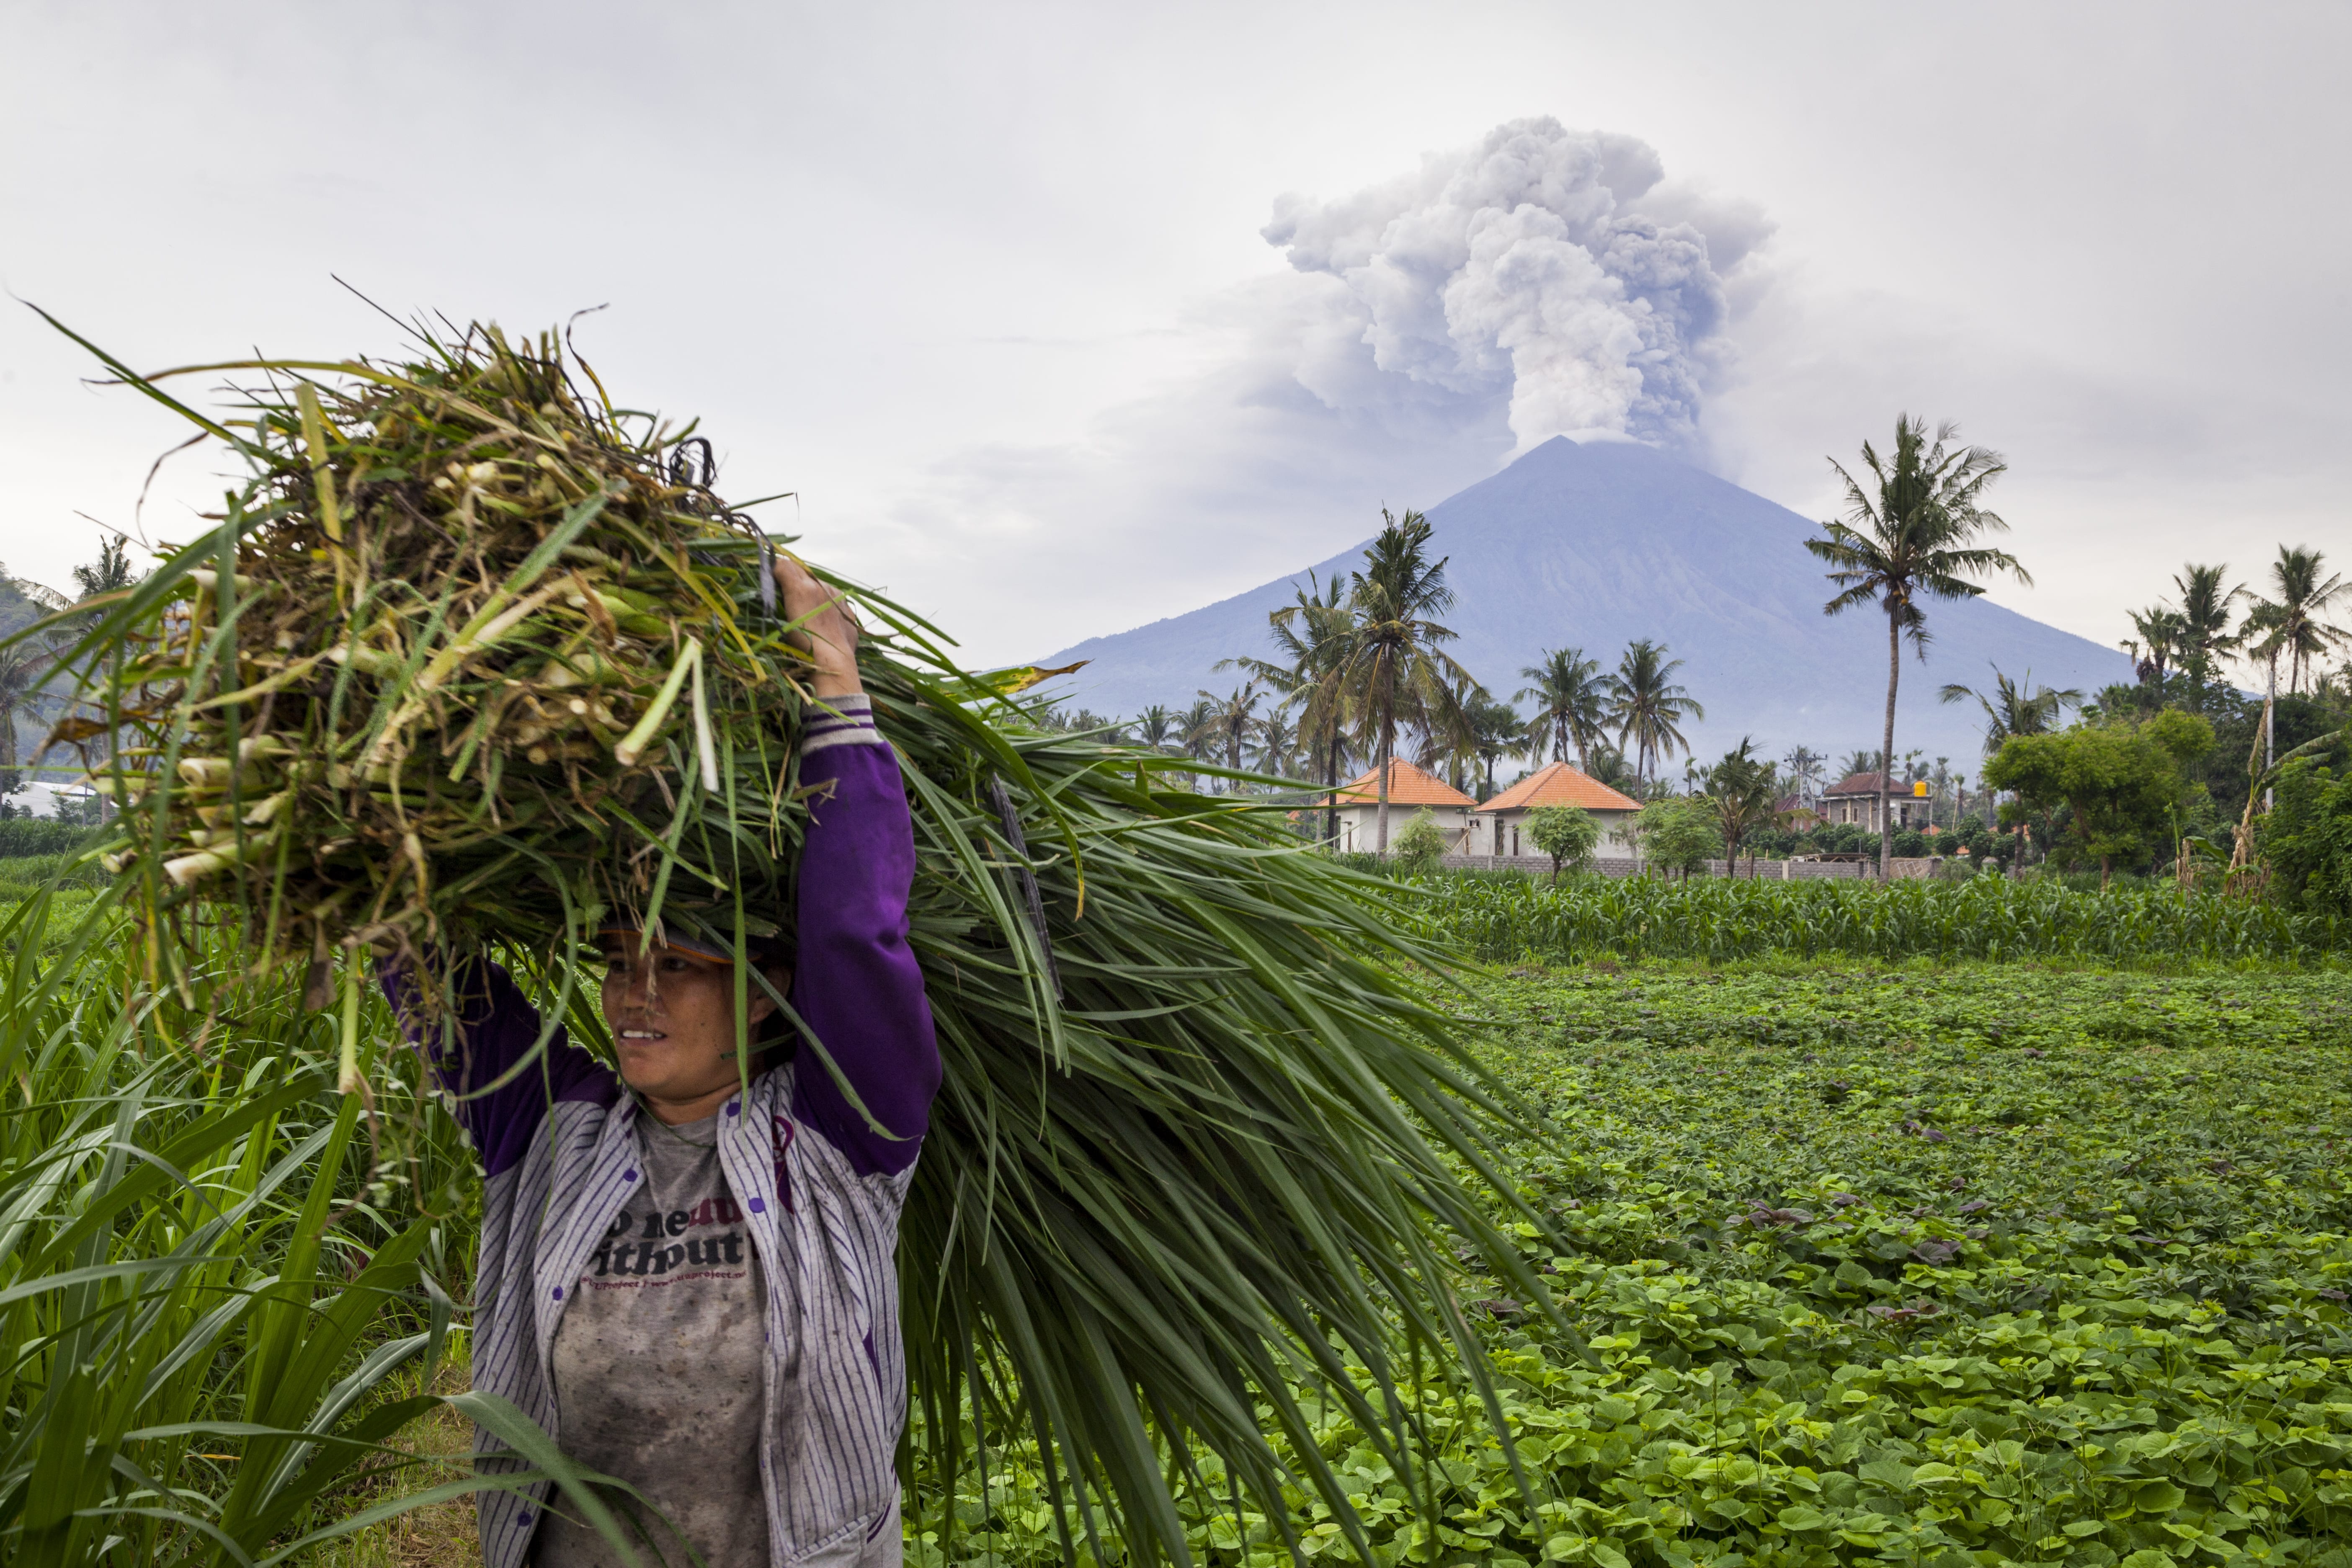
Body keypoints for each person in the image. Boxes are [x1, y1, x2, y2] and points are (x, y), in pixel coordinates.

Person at [387, 558, 940, 1568]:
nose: (633, 994)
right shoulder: (554, 1134)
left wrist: (832, 675)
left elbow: (856, 931)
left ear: (769, 992)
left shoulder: (836, 1139)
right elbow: (422, 962)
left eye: (678, 968)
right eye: (615, 963)